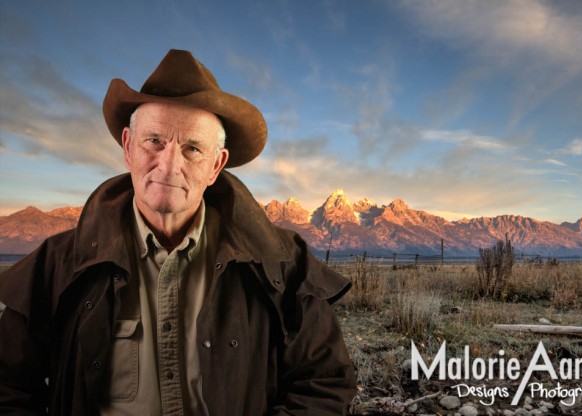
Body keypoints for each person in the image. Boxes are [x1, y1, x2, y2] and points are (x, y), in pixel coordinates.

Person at [0, 49, 356, 415]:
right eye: (154, 141)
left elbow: (324, 382)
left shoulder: (281, 262)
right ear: (127, 147)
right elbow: (7, 387)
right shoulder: (58, 265)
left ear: (216, 165)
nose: (169, 166)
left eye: (192, 148)